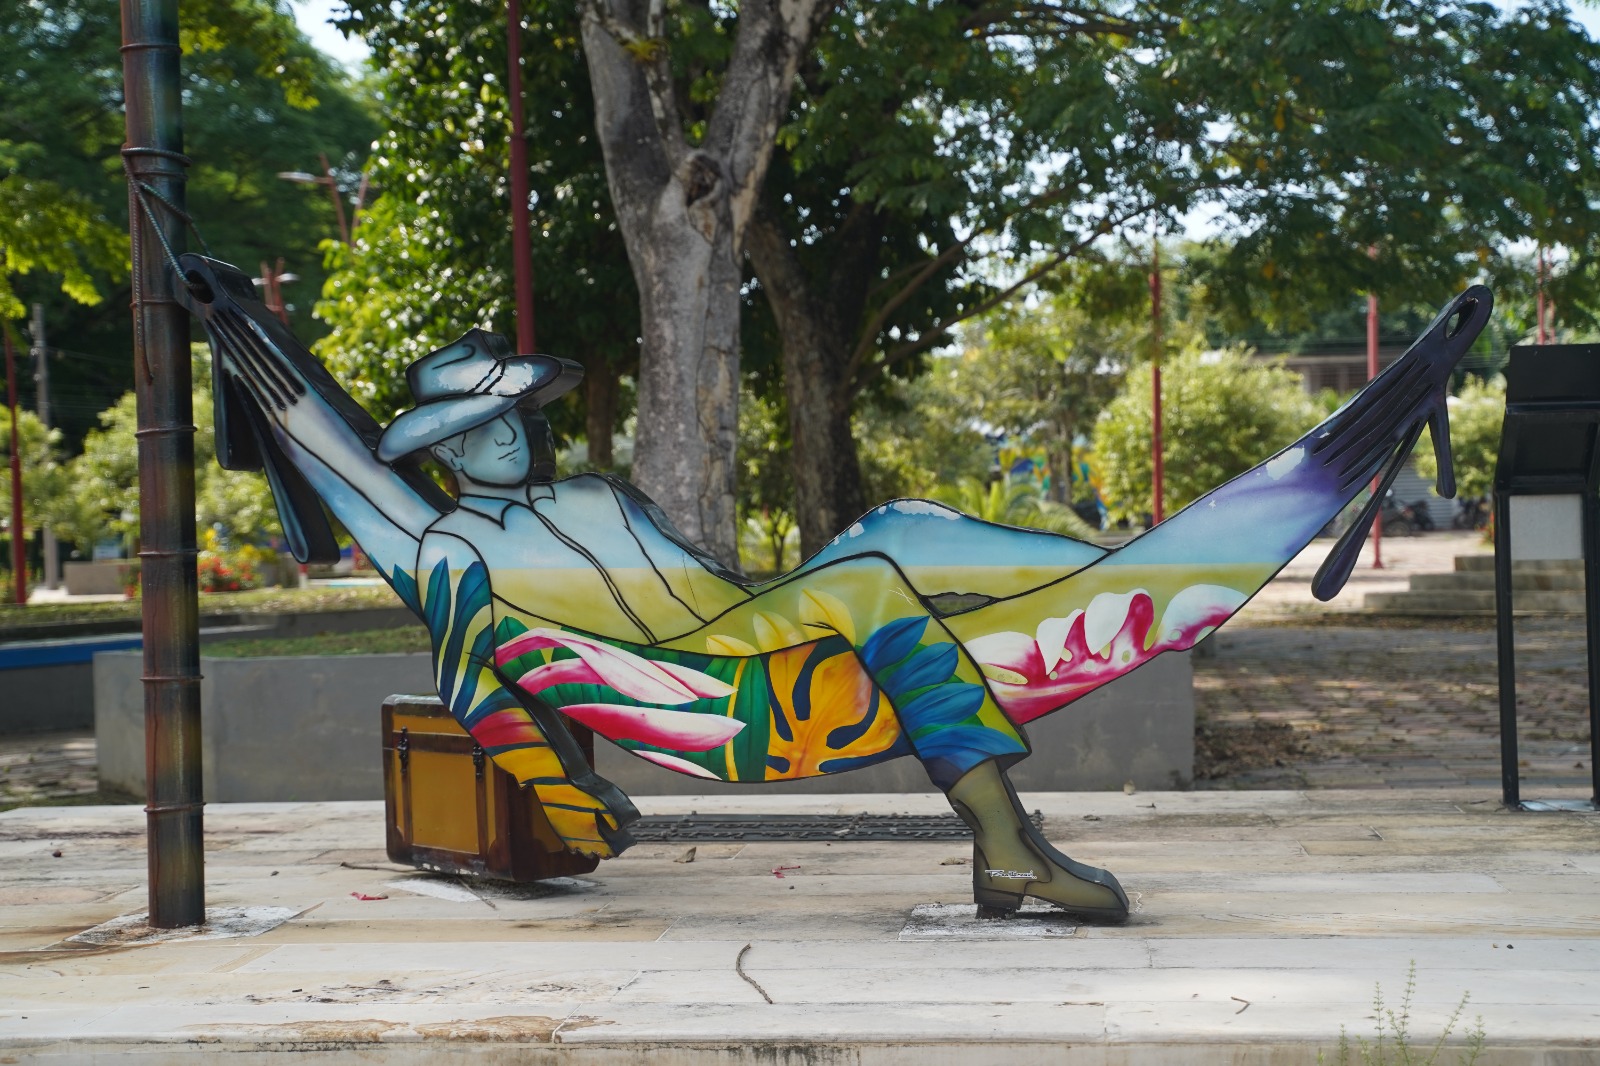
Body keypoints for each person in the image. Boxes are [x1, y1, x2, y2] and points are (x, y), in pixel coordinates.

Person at [179, 253, 1488, 921]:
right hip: (696, 699)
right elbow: (345, 474)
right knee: (865, 578)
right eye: (487, 424)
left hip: (741, 628)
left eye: (518, 412)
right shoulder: (447, 550)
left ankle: (1127, 576)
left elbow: (714, 581)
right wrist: (236, 328)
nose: (513, 433)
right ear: (445, 452)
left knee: (902, 527)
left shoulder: (584, 499)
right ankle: (1008, 848)